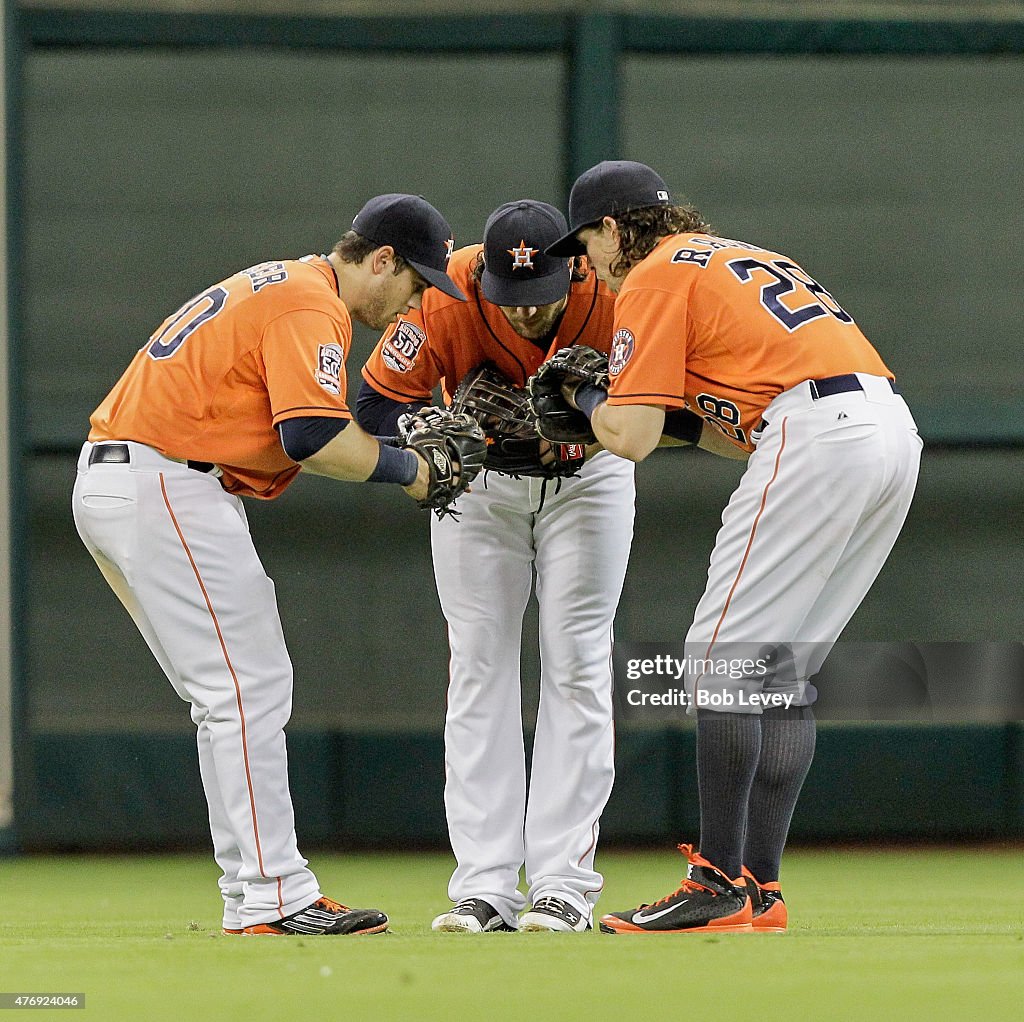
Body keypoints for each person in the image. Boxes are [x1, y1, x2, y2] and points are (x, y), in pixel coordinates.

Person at [72, 193, 470, 937]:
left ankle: (255, 891)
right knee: (245, 687)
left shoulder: (281, 282)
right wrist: (413, 468)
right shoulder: (306, 302)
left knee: (230, 694)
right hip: (164, 482)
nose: (416, 301)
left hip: (133, 478)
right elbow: (315, 438)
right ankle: (272, 894)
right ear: (381, 261)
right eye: (415, 283)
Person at [542, 161, 922, 934]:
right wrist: (623, 407)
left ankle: (716, 882)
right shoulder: (737, 259)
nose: (586, 267)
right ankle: (762, 888)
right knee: (779, 672)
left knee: (721, 661)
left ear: (614, 229)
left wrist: (582, 398)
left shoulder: (650, 276)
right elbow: (725, 434)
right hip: (888, 432)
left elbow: (634, 438)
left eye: (584, 246)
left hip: (816, 433)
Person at [358, 200, 646, 933]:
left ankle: (563, 885)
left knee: (576, 661)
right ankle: (484, 884)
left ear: (572, 266)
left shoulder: (616, 295)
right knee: (479, 665)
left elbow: (659, 411)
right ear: (480, 273)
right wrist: (426, 428)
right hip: (480, 488)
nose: (524, 314)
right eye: (509, 299)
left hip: (591, 481)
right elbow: (373, 402)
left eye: (541, 296)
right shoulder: (450, 293)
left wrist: (587, 419)